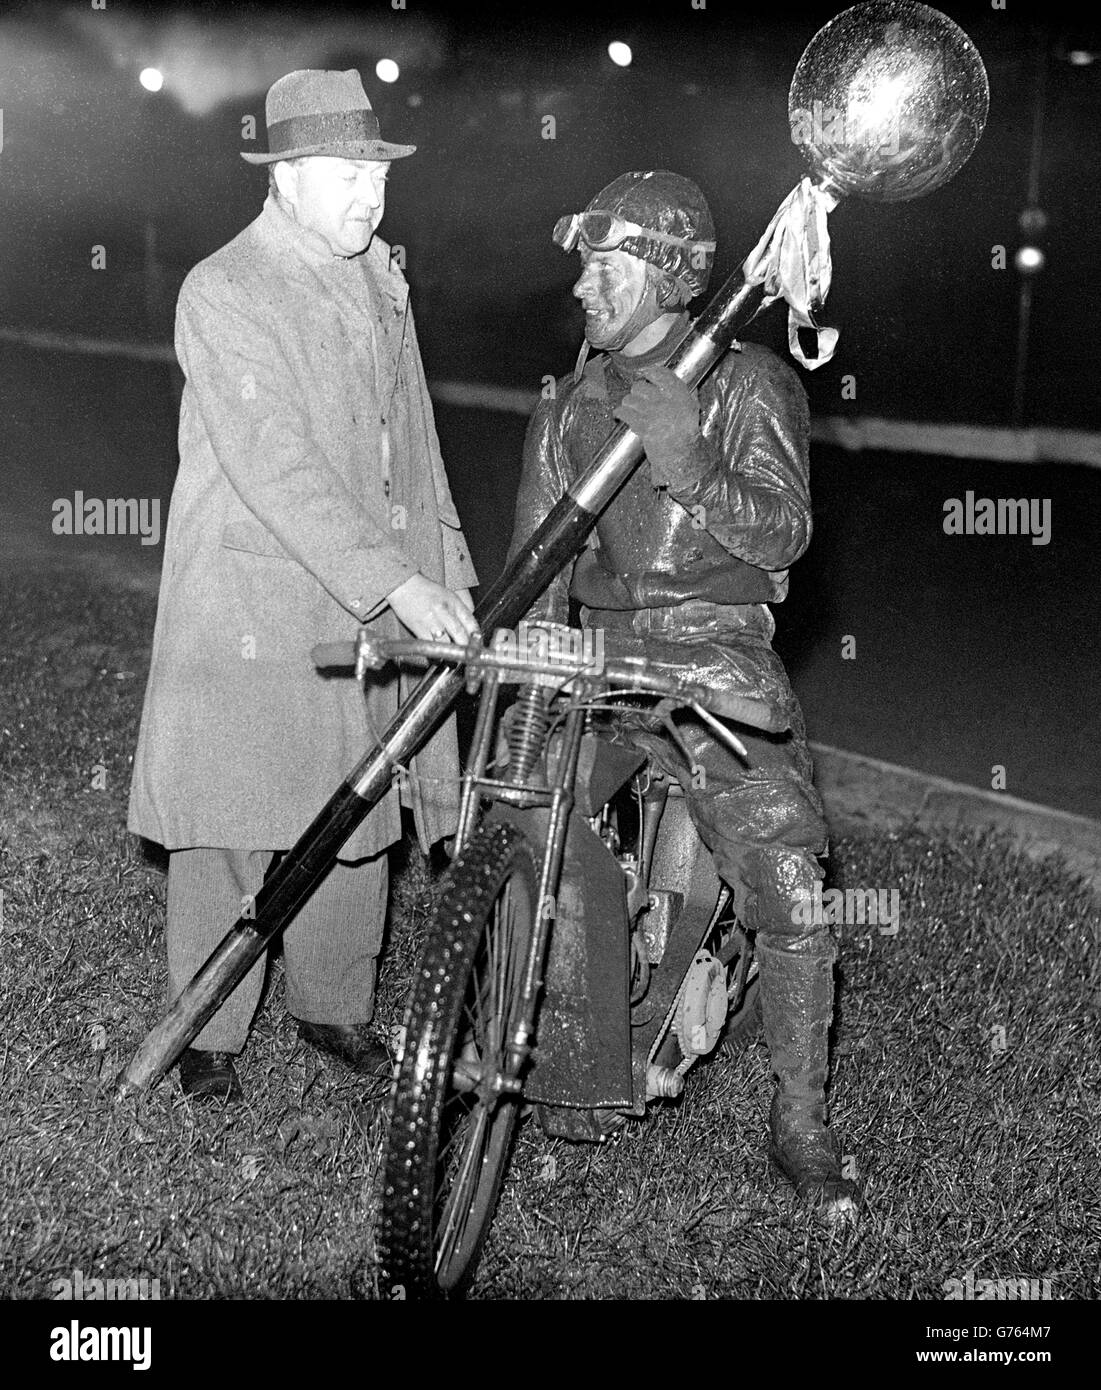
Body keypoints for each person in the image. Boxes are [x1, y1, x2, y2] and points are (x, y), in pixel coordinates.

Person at [509, 170, 857, 1216]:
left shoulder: (749, 385)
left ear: (665, 275)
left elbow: (784, 535)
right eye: (581, 264)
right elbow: (536, 572)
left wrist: (691, 461)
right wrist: (535, 657)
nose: (580, 287)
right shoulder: (569, 407)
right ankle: (562, 1033)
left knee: (791, 885)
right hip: (605, 669)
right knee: (521, 805)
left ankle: (801, 1124)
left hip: (717, 669)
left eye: (603, 267)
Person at [127, 70, 479, 1103]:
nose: (367, 195)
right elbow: (275, 464)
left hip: (368, 592)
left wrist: (444, 564)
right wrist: (400, 583)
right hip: (251, 598)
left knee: (357, 806)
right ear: (283, 176)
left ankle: (334, 1009)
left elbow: (412, 444)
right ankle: (209, 1032)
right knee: (238, 816)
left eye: (374, 171)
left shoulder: (380, 275)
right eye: (342, 173)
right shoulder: (223, 289)